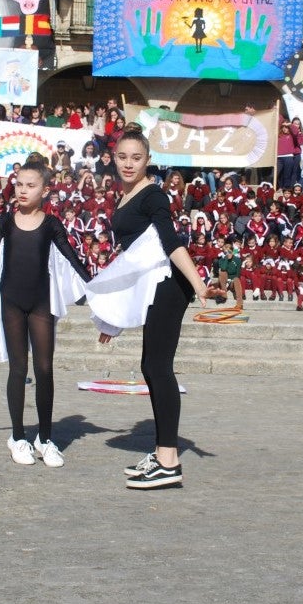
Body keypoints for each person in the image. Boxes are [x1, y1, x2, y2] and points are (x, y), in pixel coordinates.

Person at [0, 161, 92, 468]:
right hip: (11, 302)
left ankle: (46, 439)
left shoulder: (51, 224)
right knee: (17, 369)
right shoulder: (7, 221)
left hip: (41, 304)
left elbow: (72, 258)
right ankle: (18, 436)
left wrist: (97, 288)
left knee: (45, 369)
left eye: (31, 185)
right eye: (19, 184)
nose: (23, 190)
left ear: (46, 190)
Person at [86, 131, 210, 489]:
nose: (128, 163)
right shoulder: (124, 196)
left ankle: (169, 461)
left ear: (147, 159)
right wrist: (114, 318)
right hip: (153, 284)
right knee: (149, 365)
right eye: (122, 156)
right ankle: (161, 453)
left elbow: (170, 241)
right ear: (113, 157)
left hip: (171, 284)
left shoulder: (154, 193)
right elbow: (133, 261)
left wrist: (199, 285)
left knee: (158, 366)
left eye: (136, 158)